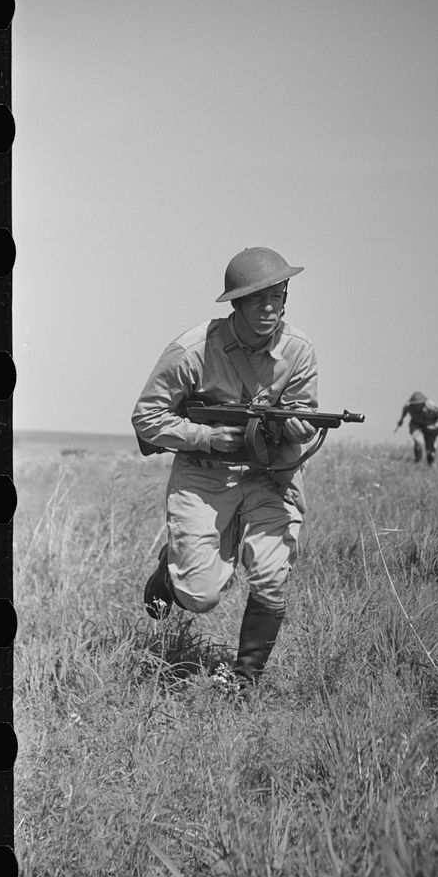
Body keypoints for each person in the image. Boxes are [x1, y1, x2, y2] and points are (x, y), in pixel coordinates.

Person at [131, 246, 318, 694]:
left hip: (269, 475)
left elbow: (306, 417)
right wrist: (208, 438)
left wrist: (297, 428)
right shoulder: (192, 350)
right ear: (236, 302)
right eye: (257, 298)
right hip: (205, 474)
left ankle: (244, 681)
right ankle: (170, 570)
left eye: (278, 293)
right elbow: (147, 419)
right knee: (200, 596)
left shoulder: (299, 351)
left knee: (272, 576)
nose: (269, 306)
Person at [394, 391, 438, 465]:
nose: (416, 406)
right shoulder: (409, 406)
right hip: (416, 424)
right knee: (419, 441)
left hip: (431, 426)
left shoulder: (432, 406)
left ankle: (431, 462)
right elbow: (404, 411)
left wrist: (436, 425)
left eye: (418, 404)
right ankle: (418, 461)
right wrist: (401, 421)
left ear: (422, 403)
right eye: (414, 404)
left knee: (430, 448)